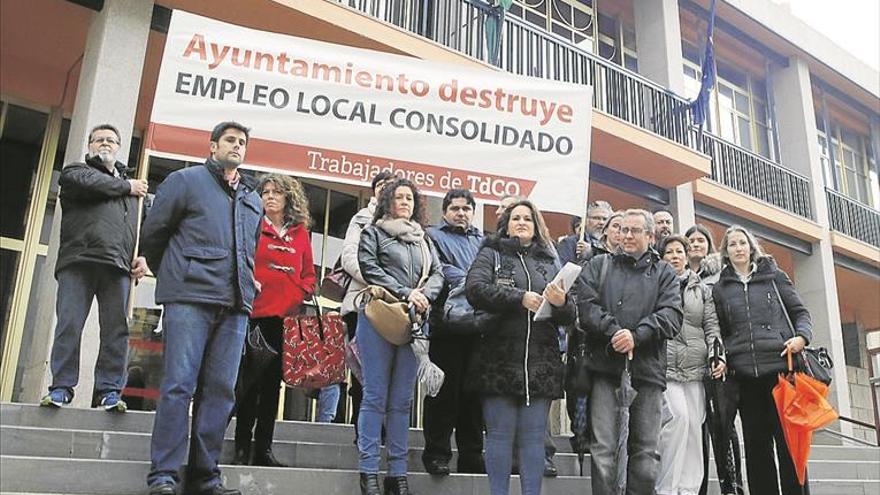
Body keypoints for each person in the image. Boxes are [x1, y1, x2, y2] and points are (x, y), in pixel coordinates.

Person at [141, 121, 262, 495]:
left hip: (236, 305)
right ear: (212, 147)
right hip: (189, 298)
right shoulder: (185, 181)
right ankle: (164, 474)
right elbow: (153, 235)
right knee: (179, 386)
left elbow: (250, 250)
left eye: (242, 142)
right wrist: (178, 276)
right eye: (229, 140)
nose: (236, 146)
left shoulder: (252, 199)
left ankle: (205, 475)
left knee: (222, 391)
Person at [465, 199, 576, 495]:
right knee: (499, 436)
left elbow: (571, 313)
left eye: (528, 218)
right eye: (516, 218)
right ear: (506, 224)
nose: (522, 222)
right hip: (498, 359)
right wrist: (519, 298)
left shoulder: (549, 260)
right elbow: (474, 289)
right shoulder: (491, 252)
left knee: (533, 438)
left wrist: (561, 302)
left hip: (540, 360)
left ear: (536, 225)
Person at [39, 124, 149, 411]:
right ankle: (61, 387)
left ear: (119, 147)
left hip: (118, 267)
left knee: (116, 331)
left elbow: (142, 230)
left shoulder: (132, 191)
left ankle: (109, 392)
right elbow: (93, 184)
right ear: (89, 145)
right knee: (69, 325)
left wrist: (142, 257)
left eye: (111, 140)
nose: (105, 143)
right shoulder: (76, 173)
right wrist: (128, 186)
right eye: (99, 139)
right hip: (79, 262)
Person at [576, 208, 683, 495]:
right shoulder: (599, 265)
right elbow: (585, 307)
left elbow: (672, 315)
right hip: (605, 370)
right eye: (623, 229)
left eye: (634, 230)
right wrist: (614, 332)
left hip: (647, 372)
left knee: (646, 454)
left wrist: (637, 336)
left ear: (650, 236)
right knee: (603, 450)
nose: (626, 235)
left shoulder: (664, 273)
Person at [356, 178, 444, 495]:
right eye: (398, 197)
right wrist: (408, 292)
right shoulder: (373, 233)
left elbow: (439, 274)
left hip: (415, 321)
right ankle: (368, 473)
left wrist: (424, 297)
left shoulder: (425, 240)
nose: (405, 202)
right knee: (375, 396)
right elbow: (369, 268)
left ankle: (397, 473)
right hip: (380, 318)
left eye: (409, 197)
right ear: (387, 202)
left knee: (402, 402)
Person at [712, 225, 812, 495]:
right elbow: (719, 329)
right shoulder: (721, 288)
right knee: (757, 451)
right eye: (732, 244)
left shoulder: (773, 277)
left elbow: (800, 312)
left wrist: (801, 338)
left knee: (790, 448)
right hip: (745, 378)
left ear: (751, 246)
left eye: (742, 243)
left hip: (781, 373)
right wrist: (722, 357)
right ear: (726, 252)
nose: (738, 248)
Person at [233, 173, 316, 467]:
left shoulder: (300, 233)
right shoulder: (253, 225)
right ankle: (241, 445)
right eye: (265, 191)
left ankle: (264, 449)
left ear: (288, 198)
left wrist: (300, 290)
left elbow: (309, 275)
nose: (270, 196)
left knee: (272, 387)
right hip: (255, 316)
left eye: (276, 192)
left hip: (286, 320)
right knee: (249, 384)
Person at [655, 235, 725, 495]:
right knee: (678, 420)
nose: (675, 256)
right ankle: (667, 488)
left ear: (686, 256)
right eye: (669, 252)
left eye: (679, 251)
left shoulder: (702, 289)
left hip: (696, 368)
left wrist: (717, 355)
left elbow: (711, 326)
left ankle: (689, 490)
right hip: (667, 367)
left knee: (695, 427)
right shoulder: (656, 284)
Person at [422, 189, 485, 475]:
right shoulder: (432, 236)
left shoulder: (483, 241)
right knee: (443, 394)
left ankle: (471, 456)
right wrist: (475, 281)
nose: (461, 213)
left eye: (466, 208)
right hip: (446, 326)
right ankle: (436, 454)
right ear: (445, 211)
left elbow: (491, 273)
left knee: (473, 396)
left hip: (478, 327)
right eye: (455, 208)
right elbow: (440, 269)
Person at [685, 224, 744, 495]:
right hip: (689, 364)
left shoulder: (721, 276)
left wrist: (722, 354)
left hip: (719, 361)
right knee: (695, 429)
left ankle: (731, 484)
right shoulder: (678, 277)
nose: (695, 244)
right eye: (691, 241)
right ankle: (697, 487)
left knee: (723, 424)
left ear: (709, 245)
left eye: (701, 240)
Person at [340, 171, 395, 437]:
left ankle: (387, 430)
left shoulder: (409, 223)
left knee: (391, 373)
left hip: (395, 309)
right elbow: (349, 257)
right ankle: (364, 431)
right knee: (362, 371)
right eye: (381, 186)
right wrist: (379, 282)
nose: (386, 191)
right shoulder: (361, 219)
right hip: (362, 303)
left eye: (391, 187)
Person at [557, 200, 612, 265]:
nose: (601, 222)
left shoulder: (615, 245)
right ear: (585, 220)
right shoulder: (570, 243)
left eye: (605, 219)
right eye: (596, 218)